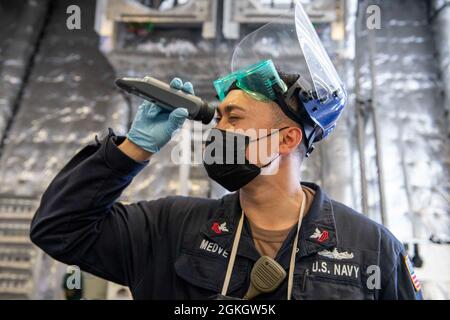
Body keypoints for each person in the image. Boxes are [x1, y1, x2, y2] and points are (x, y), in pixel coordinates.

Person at [29, 68, 422, 299]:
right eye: (217, 120)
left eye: (232, 118)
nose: (217, 131)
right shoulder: (171, 228)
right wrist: (132, 149)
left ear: (286, 139)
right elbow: (60, 229)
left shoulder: (371, 249)